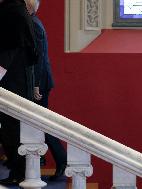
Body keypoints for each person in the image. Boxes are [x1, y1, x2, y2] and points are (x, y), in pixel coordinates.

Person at [24, 0, 67, 181]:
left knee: (42, 124)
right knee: (38, 124)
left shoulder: (33, 25)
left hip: (39, 83)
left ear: (29, 7)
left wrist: (36, 85)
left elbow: (39, 58)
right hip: (39, 82)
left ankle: (62, 160)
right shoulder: (33, 23)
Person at [0, 0, 38, 185]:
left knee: (12, 128)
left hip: (13, 79)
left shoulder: (13, 12)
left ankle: (19, 172)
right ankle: (18, 170)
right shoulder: (16, 10)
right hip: (17, 77)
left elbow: (10, 49)